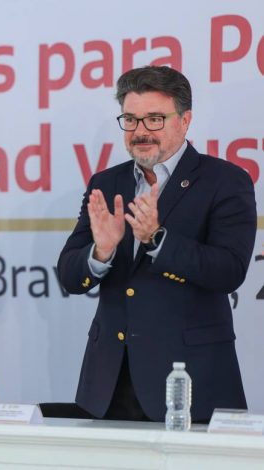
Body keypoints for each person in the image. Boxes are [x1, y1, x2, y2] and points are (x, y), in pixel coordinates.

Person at [57, 65, 257, 422]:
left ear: (185, 120)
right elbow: (70, 277)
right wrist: (101, 251)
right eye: (130, 120)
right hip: (110, 384)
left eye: (154, 119)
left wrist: (157, 239)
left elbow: (228, 271)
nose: (140, 132)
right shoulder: (106, 182)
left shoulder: (225, 180)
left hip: (192, 379)